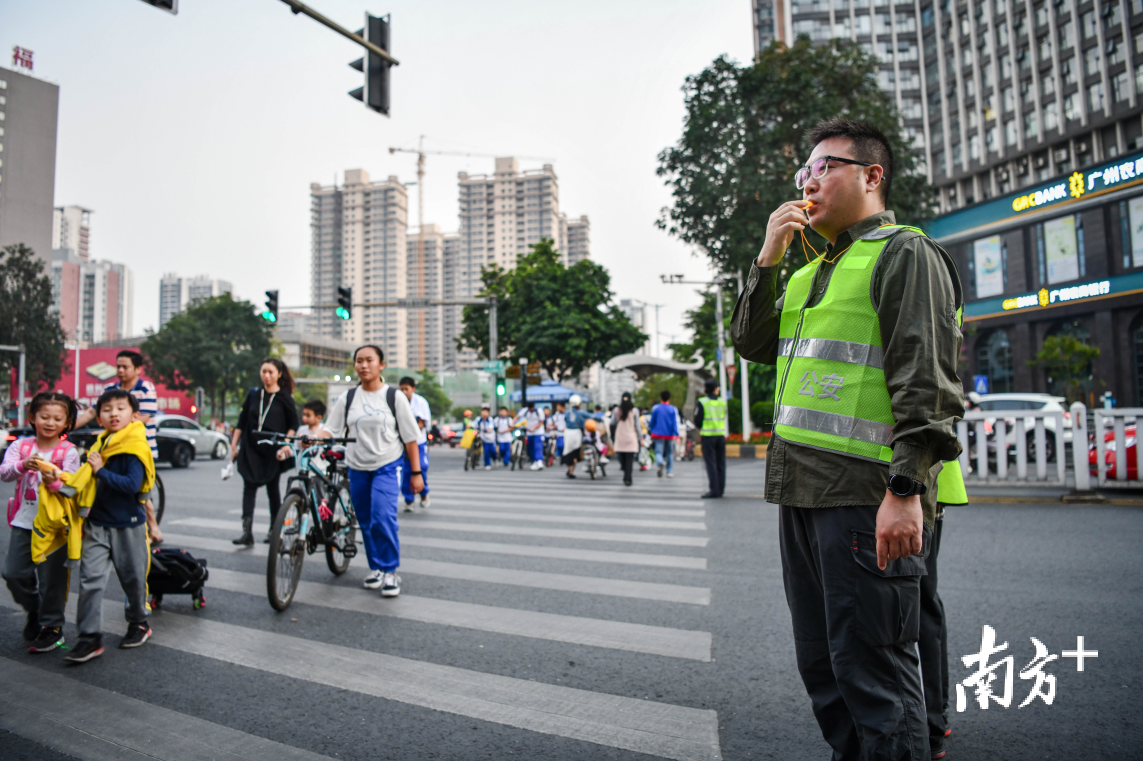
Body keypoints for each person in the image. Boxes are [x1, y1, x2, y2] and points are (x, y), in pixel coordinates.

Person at [730, 118, 963, 758]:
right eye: (804, 172)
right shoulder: (808, 272)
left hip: (866, 494)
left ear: (871, 175)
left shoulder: (903, 254)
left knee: (875, 673)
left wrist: (906, 489)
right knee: (827, 667)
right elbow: (751, 343)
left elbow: (927, 381)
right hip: (804, 493)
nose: (809, 181)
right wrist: (768, 256)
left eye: (824, 167)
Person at [66, 388, 157, 663]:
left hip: (128, 524)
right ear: (100, 418)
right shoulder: (100, 444)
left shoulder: (134, 447)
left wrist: (100, 471)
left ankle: (139, 622)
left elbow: (131, 485)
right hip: (97, 522)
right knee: (90, 580)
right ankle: (89, 637)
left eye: (120, 408)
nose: (113, 414)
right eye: (107, 410)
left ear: (134, 414)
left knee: (133, 580)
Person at [325, 346, 421, 597]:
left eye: (369, 360)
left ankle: (391, 571)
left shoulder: (394, 396)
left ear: (381, 365)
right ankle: (376, 567)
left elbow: (411, 438)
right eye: (359, 361)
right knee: (365, 521)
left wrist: (416, 472)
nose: (363, 365)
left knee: (383, 517)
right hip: (357, 468)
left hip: (387, 466)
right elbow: (331, 429)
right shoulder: (348, 398)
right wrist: (312, 437)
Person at [2, 392, 80, 654]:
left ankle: (52, 628)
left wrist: (53, 479)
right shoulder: (21, 446)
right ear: (32, 417)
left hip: (55, 527)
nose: (50, 422)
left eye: (57, 418)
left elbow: (72, 487)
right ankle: (34, 608)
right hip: (24, 521)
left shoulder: (68, 451)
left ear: (67, 423)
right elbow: (4, 472)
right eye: (44, 416)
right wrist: (24, 465)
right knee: (13, 573)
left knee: (52, 580)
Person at [76, 350, 162, 544]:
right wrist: (66, 427)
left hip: (139, 448)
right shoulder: (110, 389)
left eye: (125, 367)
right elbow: (92, 412)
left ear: (138, 369)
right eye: (118, 367)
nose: (120, 371)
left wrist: (111, 426)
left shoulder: (145, 388)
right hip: (110, 449)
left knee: (139, 490)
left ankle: (152, 528)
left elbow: (142, 418)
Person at [923, 458, 967, 759]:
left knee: (919, 604)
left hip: (917, 484)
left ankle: (931, 721)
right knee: (925, 601)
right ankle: (937, 712)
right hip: (930, 480)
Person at [230, 358, 298, 546]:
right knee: (248, 489)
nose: (266, 376)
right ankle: (246, 531)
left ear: (279, 374)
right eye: (264, 372)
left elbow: (294, 424)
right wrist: (233, 445)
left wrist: (285, 444)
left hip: (272, 449)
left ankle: (273, 530)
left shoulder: (284, 397)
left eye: (270, 372)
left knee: (272, 490)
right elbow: (242, 422)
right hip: (250, 448)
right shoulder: (254, 395)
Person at [398, 377, 431, 511]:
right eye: (402, 389)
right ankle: (409, 500)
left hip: (419, 442)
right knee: (405, 472)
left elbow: (422, 423)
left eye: (407, 389)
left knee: (420, 468)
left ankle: (424, 493)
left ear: (413, 389)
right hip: (403, 444)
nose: (404, 392)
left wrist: (409, 427)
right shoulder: (397, 401)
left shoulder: (420, 402)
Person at [694, 379, 727, 498]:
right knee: (721, 463)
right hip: (720, 435)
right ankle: (721, 490)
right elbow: (723, 416)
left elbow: (698, 420)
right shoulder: (722, 402)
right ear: (715, 389)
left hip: (708, 437)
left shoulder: (702, 402)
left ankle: (714, 490)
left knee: (711, 464)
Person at [611, 392, 640, 487]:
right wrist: (641, 438)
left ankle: (626, 476)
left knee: (622, 458)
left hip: (620, 437)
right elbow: (638, 426)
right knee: (629, 460)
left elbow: (612, 423)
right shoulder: (634, 411)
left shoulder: (616, 410)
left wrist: (612, 435)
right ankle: (628, 477)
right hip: (631, 437)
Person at [649, 390, 680, 478]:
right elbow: (675, 422)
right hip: (670, 434)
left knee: (658, 452)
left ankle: (660, 462)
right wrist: (676, 434)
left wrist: (651, 430)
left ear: (660, 398)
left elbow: (652, 422)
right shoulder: (673, 409)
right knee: (670, 453)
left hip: (658, 434)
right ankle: (669, 471)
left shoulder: (656, 408)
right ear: (669, 398)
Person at [562, 395, 588, 478]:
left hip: (567, 432)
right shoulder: (581, 412)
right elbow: (592, 416)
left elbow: (565, 421)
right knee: (575, 453)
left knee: (567, 451)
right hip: (577, 433)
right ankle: (571, 471)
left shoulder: (567, 413)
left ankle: (569, 469)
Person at [516, 400, 546, 470]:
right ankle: (534, 461)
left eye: (531, 408)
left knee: (537, 447)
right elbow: (517, 416)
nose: (530, 409)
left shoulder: (539, 411)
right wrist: (512, 423)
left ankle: (539, 461)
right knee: (531, 448)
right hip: (529, 433)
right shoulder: (525, 410)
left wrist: (534, 428)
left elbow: (542, 421)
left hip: (538, 432)